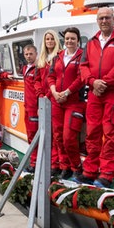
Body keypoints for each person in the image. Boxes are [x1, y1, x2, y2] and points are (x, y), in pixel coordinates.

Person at [76, 7, 114, 188]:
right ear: (97, 21)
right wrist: (93, 82)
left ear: (113, 19)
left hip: (113, 94)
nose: (104, 21)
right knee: (92, 133)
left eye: (107, 17)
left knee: (111, 134)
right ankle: (90, 171)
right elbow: (83, 66)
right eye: (101, 18)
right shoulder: (91, 42)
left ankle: (107, 174)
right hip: (94, 94)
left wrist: (103, 83)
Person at [47, 27, 86, 179]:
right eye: (67, 38)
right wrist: (54, 92)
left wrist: (67, 92)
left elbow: (81, 78)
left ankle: (76, 166)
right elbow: (51, 76)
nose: (69, 41)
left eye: (73, 39)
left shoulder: (82, 56)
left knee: (69, 137)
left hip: (74, 102)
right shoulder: (58, 56)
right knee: (57, 136)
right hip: (57, 101)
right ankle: (65, 166)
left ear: (78, 40)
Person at [33, 29, 62, 173]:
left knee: (57, 133)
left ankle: (57, 163)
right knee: (47, 133)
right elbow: (37, 80)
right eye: (47, 39)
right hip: (44, 100)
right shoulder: (41, 59)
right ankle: (50, 161)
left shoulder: (60, 57)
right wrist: (40, 95)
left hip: (55, 99)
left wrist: (50, 94)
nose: (49, 41)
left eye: (52, 39)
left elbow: (58, 79)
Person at [21, 44, 41, 173]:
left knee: (34, 136)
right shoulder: (25, 69)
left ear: (36, 53)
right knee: (30, 135)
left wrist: (39, 105)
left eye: (31, 54)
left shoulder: (38, 69)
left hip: (35, 107)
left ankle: (35, 163)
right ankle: (34, 161)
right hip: (27, 107)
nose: (29, 56)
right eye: (26, 54)